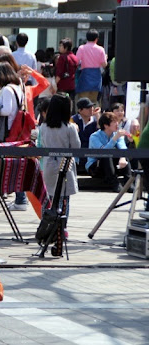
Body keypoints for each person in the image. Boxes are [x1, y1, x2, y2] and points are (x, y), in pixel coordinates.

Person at [38, 93, 80, 235]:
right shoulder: (70, 127)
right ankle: (62, 228)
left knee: (49, 198)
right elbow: (76, 147)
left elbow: (43, 144)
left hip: (49, 164)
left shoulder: (44, 127)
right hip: (65, 164)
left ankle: (47, 226)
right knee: (64, 199)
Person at [0, 63, 27, 211]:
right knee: (17, 163)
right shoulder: (17, 87)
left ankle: (20, 199)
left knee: (9, 163)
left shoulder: (6, 89)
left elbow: (6, 110)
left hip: (8, 130)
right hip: (17, 129)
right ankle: (20, 198)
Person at [86, 112, 132, 193]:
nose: (117, 124)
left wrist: (122, 158)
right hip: (96, 167)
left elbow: (123, 148)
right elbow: (103, 152)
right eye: (114, 122)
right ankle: (115, 184)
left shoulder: (116, 134)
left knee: (124, 155)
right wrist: (115, 138)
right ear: (106, 125)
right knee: (106, 155)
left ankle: (129, 182)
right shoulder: (94, 137)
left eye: (117, 121)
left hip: (112, 167)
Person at [75, 29, 107, 106]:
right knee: (93, 100)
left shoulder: (82, 48)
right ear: (96, 39)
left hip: (85, 74)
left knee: (83, 100)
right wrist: (105, 58)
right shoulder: (101, 49)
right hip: (96, 75)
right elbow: (104, 64)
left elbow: (76, 61)